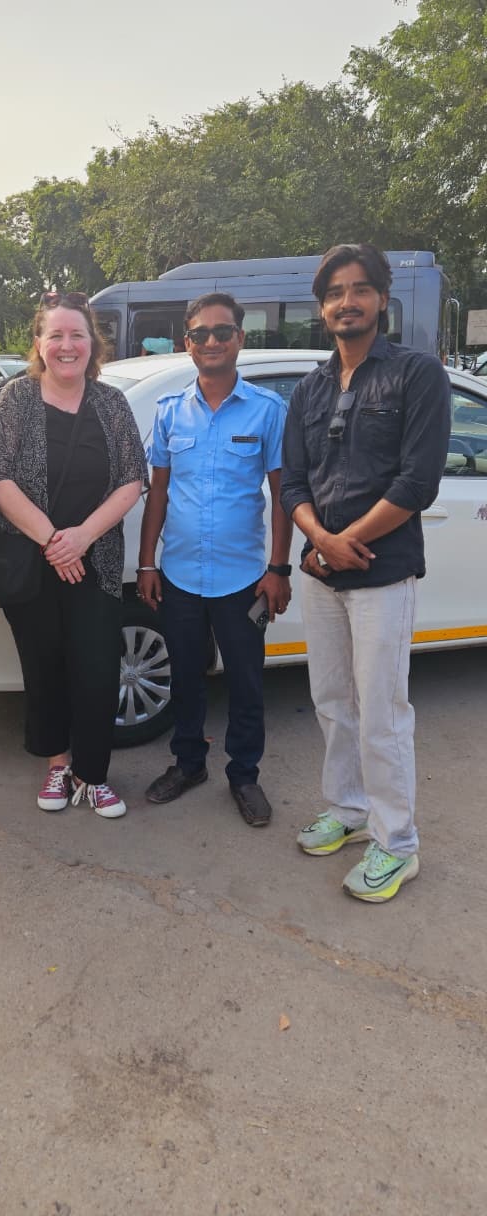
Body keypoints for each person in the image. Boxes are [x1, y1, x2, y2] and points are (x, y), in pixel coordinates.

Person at [280, 242, 451, 903]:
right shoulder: (310, 389)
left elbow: (417, 482)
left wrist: (341, 541)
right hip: (323, 575)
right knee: (332, 702)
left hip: (383, 572)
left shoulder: (416, 374)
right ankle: (349, 810)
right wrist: (320, 541)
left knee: (382, 711)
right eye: (334, 293)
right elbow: (293, 481)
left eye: (358, 289)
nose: (345, 302)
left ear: (382, 299)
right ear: (322, 308)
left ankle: (397, 843)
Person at [0, 290, 147, 818]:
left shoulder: (111, 403)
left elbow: (132, 479)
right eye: (55, 335)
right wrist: (55, 541)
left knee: (98, 670)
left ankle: (92, 775)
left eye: (77, 334)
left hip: (96, 564)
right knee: (44, 666)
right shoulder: (16, 398)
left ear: (92, 344)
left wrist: (81, 539)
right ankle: (58, 764)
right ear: (39, 343)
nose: (67, 345)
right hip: (32, 564)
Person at [138, 292, 292, 826]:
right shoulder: (169, 411)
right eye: (200, 333)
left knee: (246, 683)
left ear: (239, 339)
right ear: (187, 343)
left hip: (243, 579)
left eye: (222, 332)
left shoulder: (268, 411)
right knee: (185, 676)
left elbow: (283, 496)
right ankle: (188, 764)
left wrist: (278, 569)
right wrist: (147, 563)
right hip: (180, 574)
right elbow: (158, 492)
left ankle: (244, 776)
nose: (211, 341)